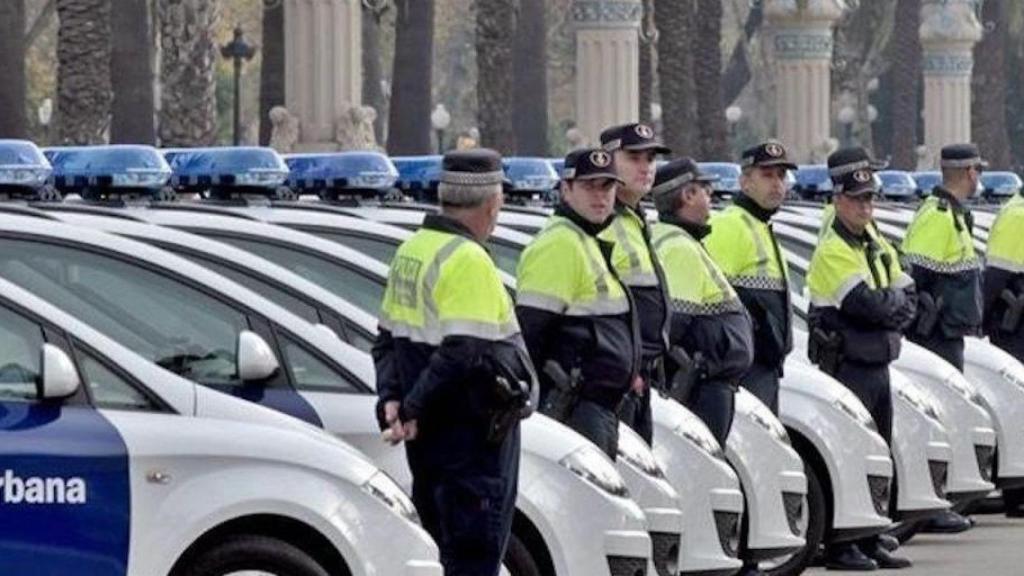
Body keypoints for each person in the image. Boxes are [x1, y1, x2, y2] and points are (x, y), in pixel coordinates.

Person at [374, 149, 536, 576]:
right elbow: (464, 352)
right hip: (471, 443)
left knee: (445, 557)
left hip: (429, 444)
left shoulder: (412, 250)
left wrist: (393, 399)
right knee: (473, 562)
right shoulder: (468, 258)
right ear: (493, 203)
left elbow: (386, 340)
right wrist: (410, 407)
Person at [806, 147, 917, 571]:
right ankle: (843, 543)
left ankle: (870, 536)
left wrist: (891, 305)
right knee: (851, 454)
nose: (865, 207)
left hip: (877, 362)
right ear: (838, 200)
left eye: (870, 199)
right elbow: (865, 305)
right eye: (857, 200)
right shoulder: (833, 248)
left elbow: (909, 295)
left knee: (878, 452)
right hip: (848, 365)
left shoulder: (873, 241)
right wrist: (892, 304)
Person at [516, 148, 640, 458]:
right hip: (570, 408)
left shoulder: (584, 238)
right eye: (589, 186)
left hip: (595, 408)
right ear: (566, 189)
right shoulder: (559, 243)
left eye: (607, 186)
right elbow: (530, 337)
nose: (600, 196)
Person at [649, 157, 754, 446]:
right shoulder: (679, 246)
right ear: (687, 195)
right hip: (701, 385)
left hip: (707, 380)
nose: (711, 198)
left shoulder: (679, 239)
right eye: (705, 190)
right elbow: (676, 321)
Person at [704, 140, 795, 415]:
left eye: (781, 175)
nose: (777, 184)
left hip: (765, 366)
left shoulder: (761, 225)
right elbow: (714, 299)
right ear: (744, 182)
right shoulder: (730, 224)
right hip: (745, 369)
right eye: (767, 175)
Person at [596, 122, 673, 445]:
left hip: (642, 377)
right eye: (634, 158)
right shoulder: (600, 220)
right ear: (607, 159)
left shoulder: (635, 218)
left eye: (651, 159)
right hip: (618, 381)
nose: (646, 167)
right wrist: (626, 369)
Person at [901, 143, 986, 372]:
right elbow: (914, 277)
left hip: (948, 334)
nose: (979, 177)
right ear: (970, 172)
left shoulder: (953, 213)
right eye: (979, 171)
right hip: (934, 337)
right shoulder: (938, 216)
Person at [983, 186, 1024, 517]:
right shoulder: (1017, 216)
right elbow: (995, 280)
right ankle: (1018, 495)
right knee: (1017, 410)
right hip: (1015, 330)